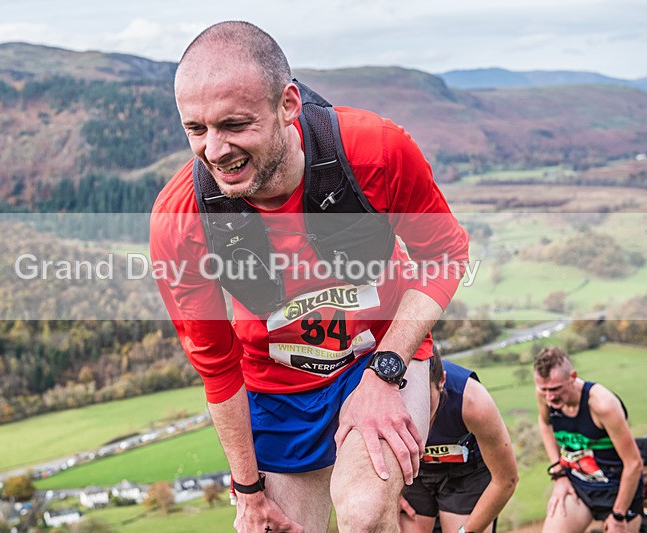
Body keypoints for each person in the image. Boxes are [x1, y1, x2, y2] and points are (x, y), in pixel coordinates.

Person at [150, 21, 469, 533]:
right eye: (196, 129)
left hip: (380, 356)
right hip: (275, 386)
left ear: (288, 105)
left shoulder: (375, 152)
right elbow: (215, 364)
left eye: (235, 124)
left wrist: (385, 372)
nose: (215, 151)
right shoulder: (182, 218)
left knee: (363, 512)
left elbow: (446, 254)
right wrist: (248, 492)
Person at [398, 352, 518, 533]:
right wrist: (391, 496)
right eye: (406, 400)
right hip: (414, 472)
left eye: (425, 398)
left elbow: (506, 480)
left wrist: (465, 532)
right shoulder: (381, 397)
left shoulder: (473, 401)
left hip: (467, 473)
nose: (417, 412)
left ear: (442, 382)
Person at [534, 347, 644, 533]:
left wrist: (618, 515)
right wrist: (558, 474)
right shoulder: (545, 396)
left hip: (617, 490)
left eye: (555, 389)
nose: (550, 397)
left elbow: (634, 464)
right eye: (543, 389)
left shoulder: (603, 405)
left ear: (573, 377)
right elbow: (545, 424)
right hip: (579, 486)